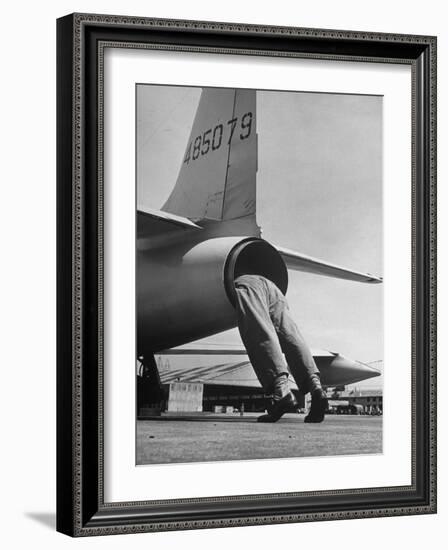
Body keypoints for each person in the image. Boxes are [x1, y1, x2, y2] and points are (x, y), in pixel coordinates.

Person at [233, 273, 328, 423]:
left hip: (246, 284)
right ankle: (317, 389)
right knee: (291, 335)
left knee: (258, 332)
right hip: (272, 287)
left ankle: (282, 392)